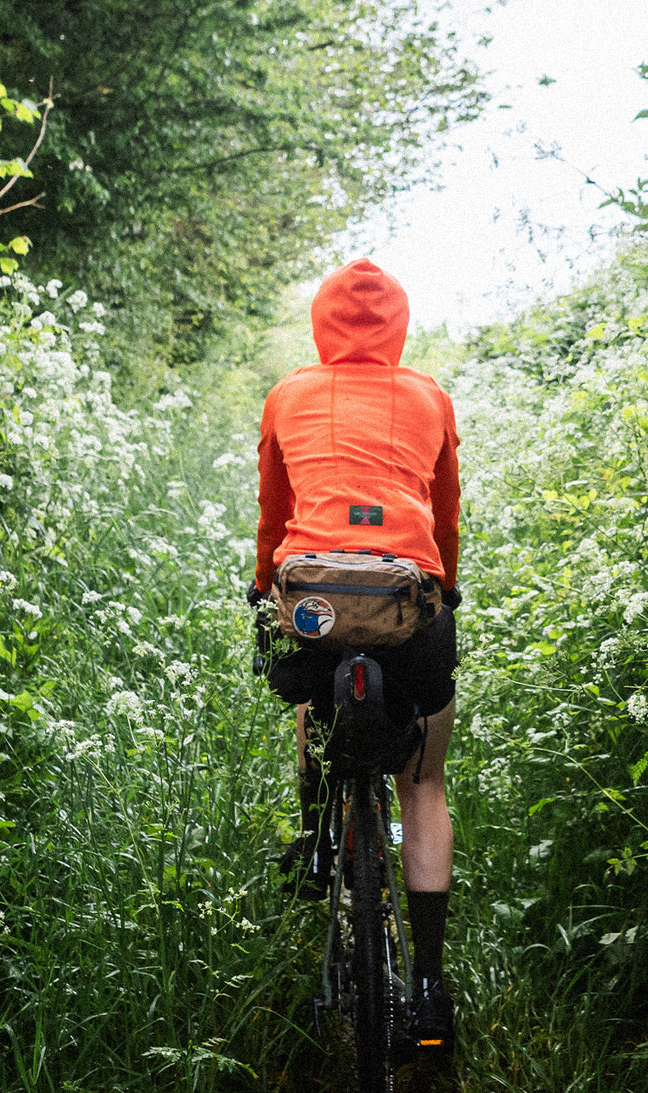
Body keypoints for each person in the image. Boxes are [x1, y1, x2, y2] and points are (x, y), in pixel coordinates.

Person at [249, 258, 462, 1054]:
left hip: (313, 605)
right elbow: (445, 517)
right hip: (413, 612)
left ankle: (313, 838)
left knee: (311, 677)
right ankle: (432, 991)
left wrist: (263, 580)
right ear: (399, 326)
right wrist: (449, 586)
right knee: (426, 779)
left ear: (320, 323)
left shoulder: (289, 396)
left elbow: (274, 519)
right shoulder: (429, 396)